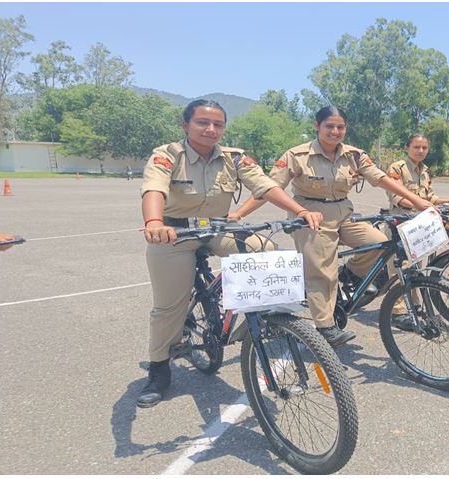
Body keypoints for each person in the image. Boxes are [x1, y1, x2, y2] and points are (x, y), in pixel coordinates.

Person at [138, 99, 322, 408]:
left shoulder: (235, 158)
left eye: (218, 124)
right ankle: (158, 368)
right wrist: (155, 222)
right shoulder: (168, 155)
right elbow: (154, 188)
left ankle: (257, 314)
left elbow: (265, 186)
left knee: (264, 248)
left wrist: (300, 210)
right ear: (186, 125)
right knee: (169, 306)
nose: (211, 129)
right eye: (202, 123)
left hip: (217, 228)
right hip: (174, 234)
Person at [268, 106, 433, 346]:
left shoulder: (354, 155)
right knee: (322, 271)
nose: (335, 132)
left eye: (340, 127)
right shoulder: (297, 155)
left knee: (378, 243)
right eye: (329, 126)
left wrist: (418, 201)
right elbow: (271, 187)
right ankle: (325, 327)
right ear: (317, 126)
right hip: (311, 215)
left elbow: (380, 177)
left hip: (344, 212)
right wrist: (243, 213)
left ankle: (350, 273)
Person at [385, 133, 449, 329]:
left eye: (424, 148)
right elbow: (397, 198)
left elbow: (430, 196)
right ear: (406, 147)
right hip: (401, 222)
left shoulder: (425, 171)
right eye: (416, 147)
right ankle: (399, 311)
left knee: (417, 266)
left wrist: (448, 201)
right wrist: (423, 206)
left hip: (420, 224)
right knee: (400, 267)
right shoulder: (397, 168)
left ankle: (415, 304)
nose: (421, 151)